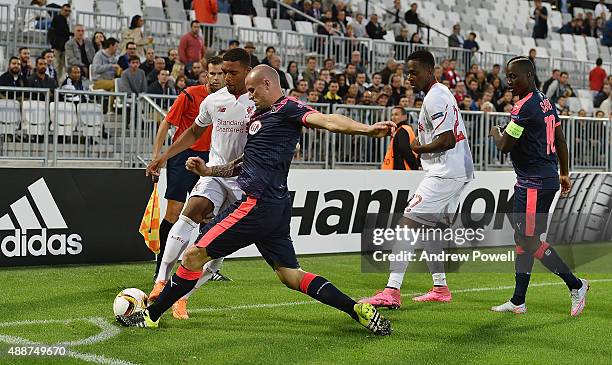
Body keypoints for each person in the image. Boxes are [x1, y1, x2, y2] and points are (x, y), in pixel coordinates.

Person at [119, 63, 394, 336]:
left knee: (192, 256)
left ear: (267, 84)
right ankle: (356, 309)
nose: (250, 96)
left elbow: (328, 120)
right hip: (274, 208)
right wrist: (208, 171)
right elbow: (242, 164)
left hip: (255, 205)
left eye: (253, 90)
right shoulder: (259, 117)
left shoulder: (289, 108)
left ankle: (151, 316)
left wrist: (367, 130)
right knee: (291, 276)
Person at [360, 50, 474, 309]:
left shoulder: (435, 97)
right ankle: (440, 287)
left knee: (406, 223)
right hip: (456, 170)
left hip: (446, 172)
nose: (409, 77)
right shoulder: (439, 94)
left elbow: (446, 140)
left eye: (414, 72)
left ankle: (391, 290)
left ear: (429, 71)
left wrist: (417, 147)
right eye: (407, 72)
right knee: (430, 229)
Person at [488, 56, 589, 316]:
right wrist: (564, 173)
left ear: (529, 76)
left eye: (514, 76)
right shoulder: (544, 101)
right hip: (540, 180)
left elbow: (504, 146)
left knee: (528, 240)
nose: (509, 82)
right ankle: (518, 300)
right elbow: (560, 140)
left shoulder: (523, 107)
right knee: (523, 238)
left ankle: (576, 285)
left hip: (534, 183)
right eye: (507, 76)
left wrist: (495, 131)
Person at [144, 57, 217, 316]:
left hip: (209, 159)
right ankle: (161, 265)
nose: (215, 78)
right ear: (206, 76)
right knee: (174, 213)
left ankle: (196, 267)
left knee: (204, 215)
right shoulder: (190, 95)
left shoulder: (226, 101)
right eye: (212, 74)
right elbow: (167, 122)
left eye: (220, 73)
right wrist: (158, 155)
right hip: (181, 157)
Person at [47, 3, 72, 80]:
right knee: (57, 67)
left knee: (62, 67)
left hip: (62, 47)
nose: (67, 12)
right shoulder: (58, 18)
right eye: (65, 10)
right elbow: (62, 31)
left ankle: (59, 83)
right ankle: (56, 83)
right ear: (61, 10)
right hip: (57, 47)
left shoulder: (64, 20)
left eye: (69, 11)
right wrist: (72, 33)